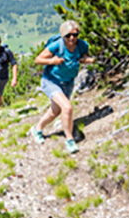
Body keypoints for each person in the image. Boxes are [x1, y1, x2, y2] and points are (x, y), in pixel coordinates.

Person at [30, 20, 94, 154]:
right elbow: (38, 59)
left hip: (68, 82)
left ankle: (37, 129)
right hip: (51, 81)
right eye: (68, 35)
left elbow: (84, 56)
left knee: (55, 111)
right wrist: (52, 61)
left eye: (75, 35)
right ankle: (70, 140)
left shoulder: (82, 45)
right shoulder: (56, 46)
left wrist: (86, 60)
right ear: (63, 35)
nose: (72, 38)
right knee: (67, 107)